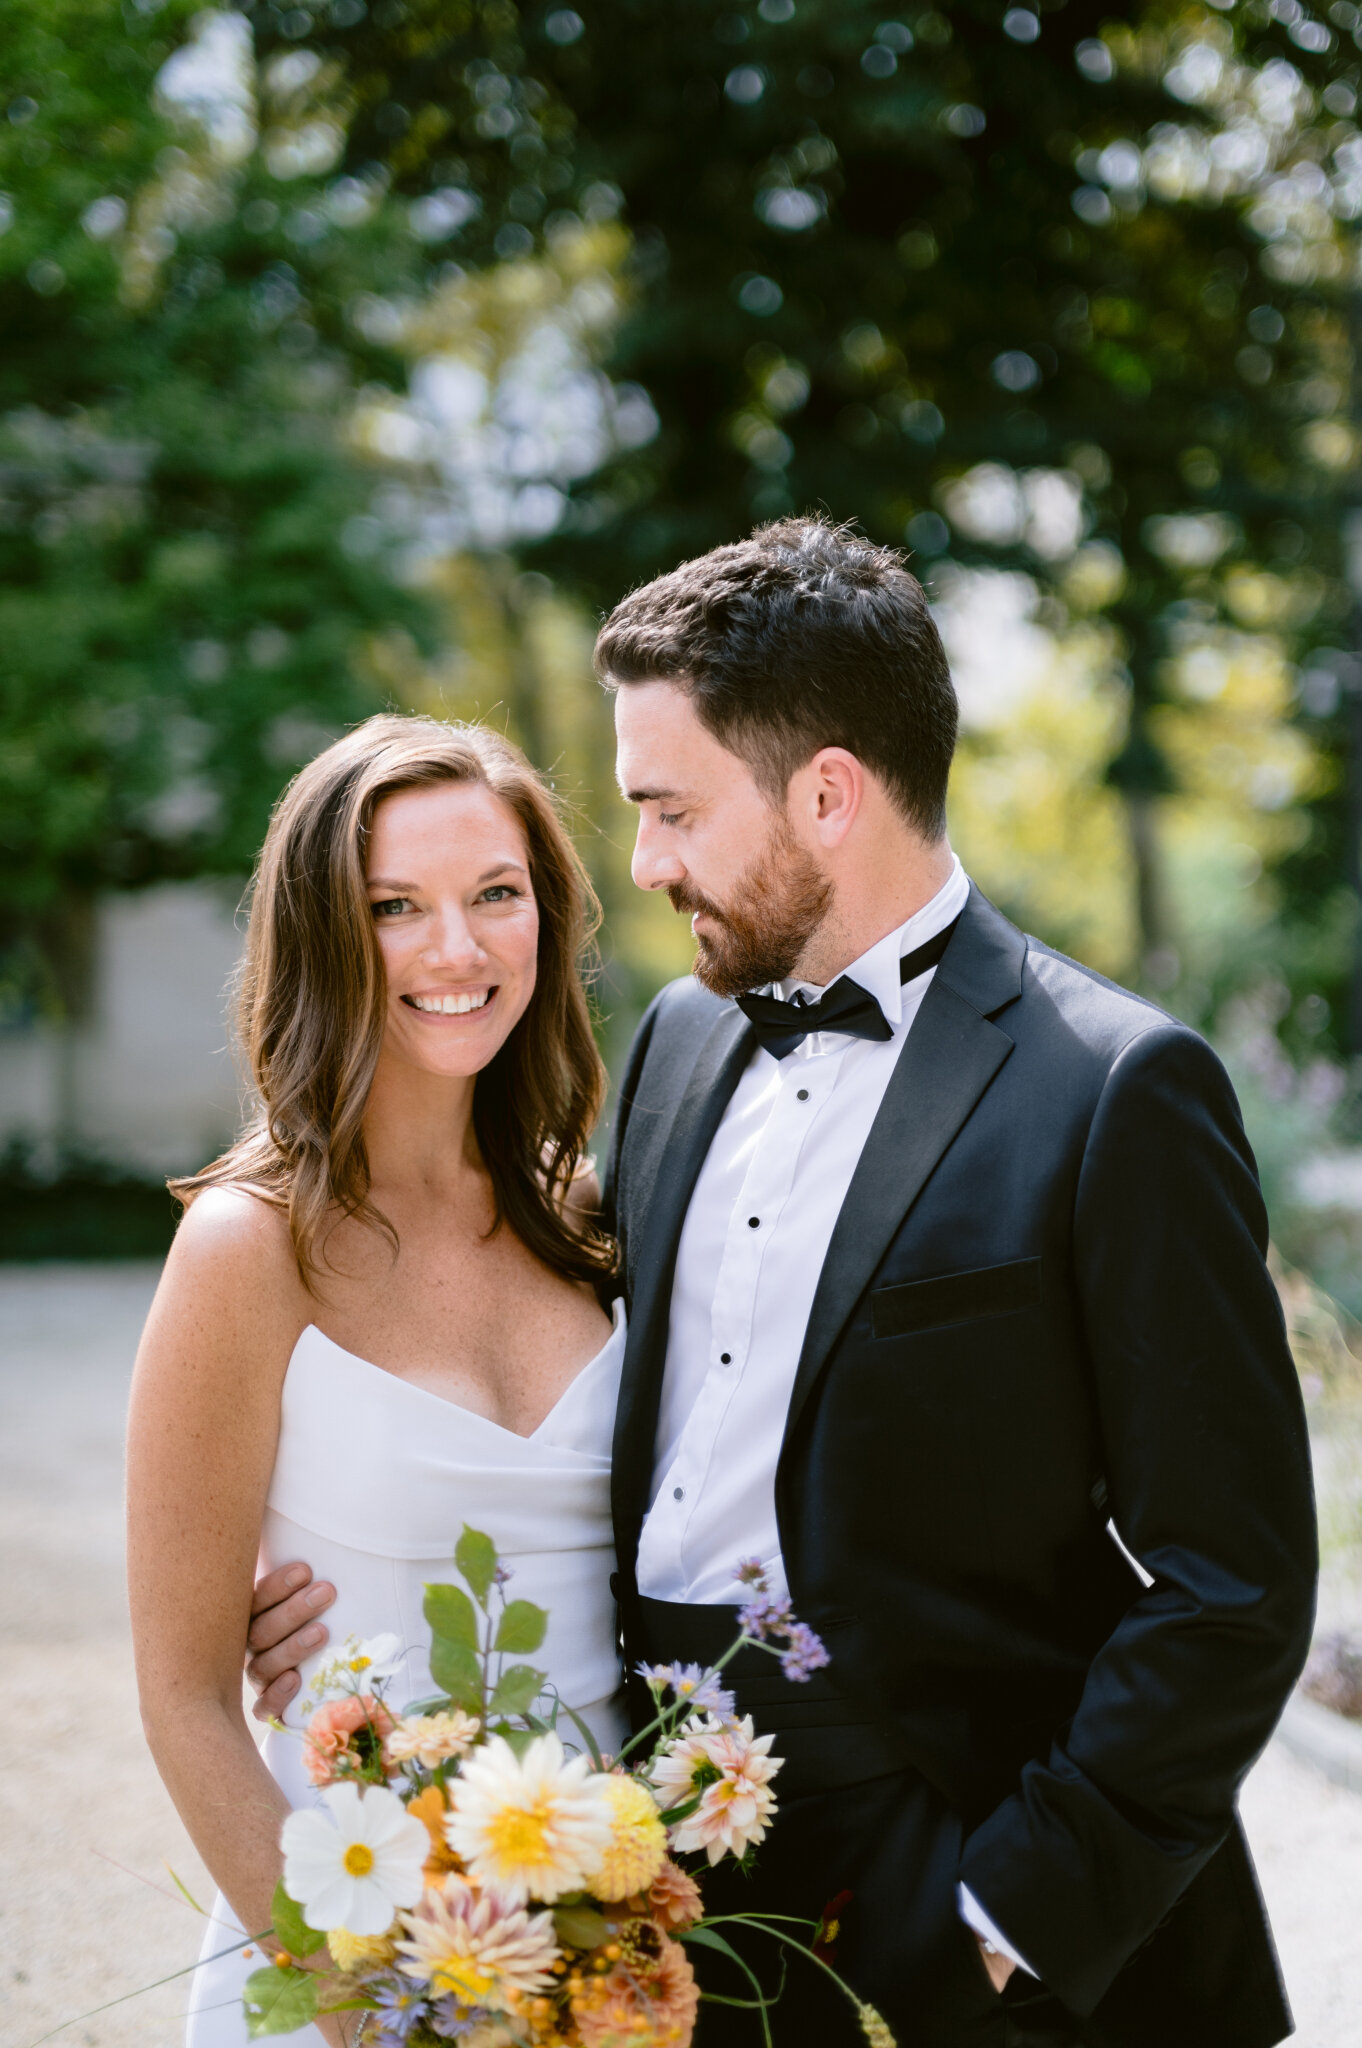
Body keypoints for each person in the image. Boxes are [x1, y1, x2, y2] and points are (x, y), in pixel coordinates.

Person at [249, 518, 1318, 2048]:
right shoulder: (680, 1046)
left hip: (964, 1856)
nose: (645, 863)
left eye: (671, 809)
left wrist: (1013, 1908)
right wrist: (348, 1587)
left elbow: (1236, 1577)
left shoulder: (1115, 1091)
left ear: (826, 794)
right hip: (657, 1850)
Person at [126, 715, 625, 2048]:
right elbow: (180, 1694)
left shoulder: (586, 1223)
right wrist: (358, 1998)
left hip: (611, 1953)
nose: (454, 950)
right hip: (358, 1960)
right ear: (324, 934)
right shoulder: (249, 1247)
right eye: (394, 906)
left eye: (494, 895)